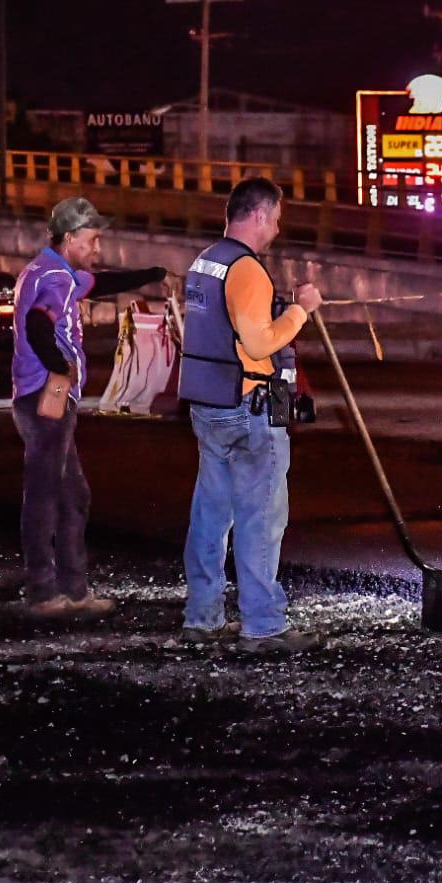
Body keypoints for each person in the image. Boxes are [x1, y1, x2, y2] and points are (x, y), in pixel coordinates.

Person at [178, 177, 324, 652]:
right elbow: (260, 342)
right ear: (258, 214)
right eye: (276, 219)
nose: (277, 229)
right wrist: (300, 311)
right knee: (261, 515)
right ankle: (264, 624)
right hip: (247, 407)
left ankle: (202, 615)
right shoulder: (246, 269)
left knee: (211, 513)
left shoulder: (205, 263)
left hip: (208, 404)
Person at [12, 196, 168, 618]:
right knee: (47, 493)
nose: (97, 250)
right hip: (48, 397)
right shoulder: (56, 279)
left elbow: (101, 284)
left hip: (43, 395)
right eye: (92, 240)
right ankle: (44, 591)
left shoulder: (51, 269)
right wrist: (59, 367)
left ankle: (72, 589)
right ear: (69, 239)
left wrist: (151, 275)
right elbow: (38, 323)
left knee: (71, 493)